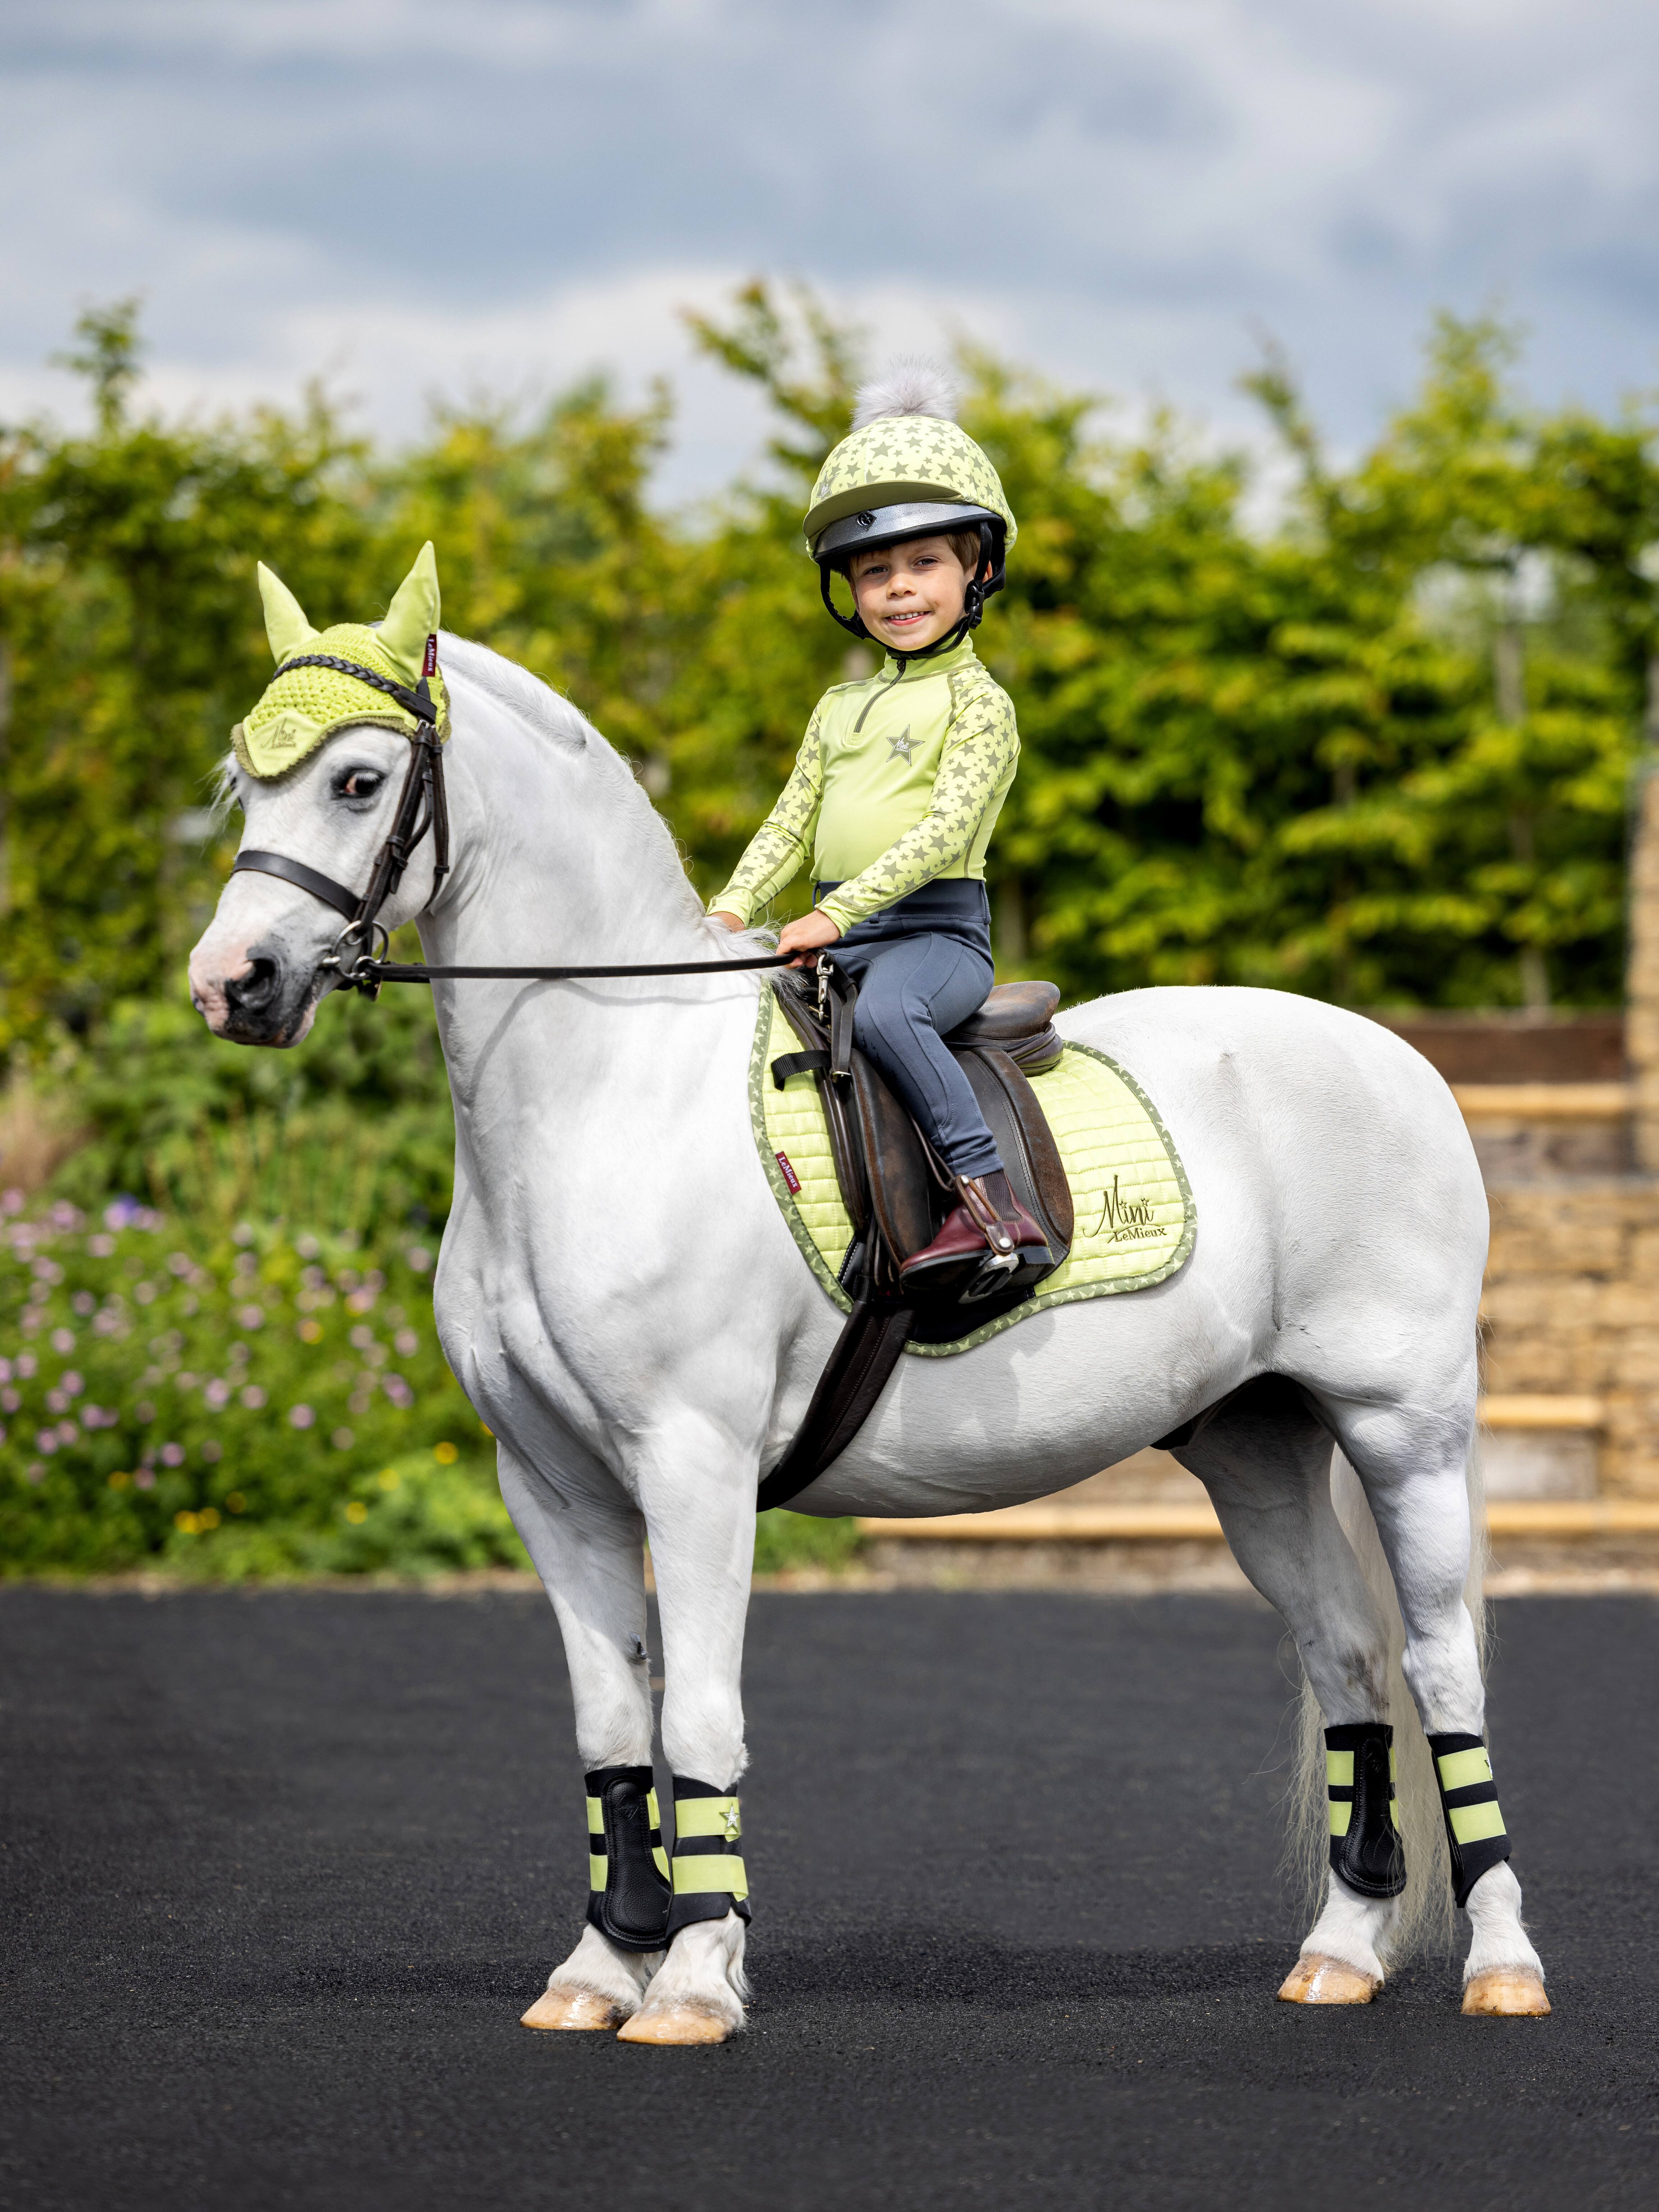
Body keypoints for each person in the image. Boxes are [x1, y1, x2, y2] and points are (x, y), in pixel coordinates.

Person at [709, 361, 1047, 1294]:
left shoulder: (979, 704)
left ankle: (990, 1202)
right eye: (874, 571)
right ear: (849, 589)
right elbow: (790, 824)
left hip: (934, 938)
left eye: (924, 563)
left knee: (894, 1013)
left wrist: (834, 916)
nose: (899, 589)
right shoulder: (837, 708)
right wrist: (729, 911)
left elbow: (942, 834)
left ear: (979, 569)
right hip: (835, 934)